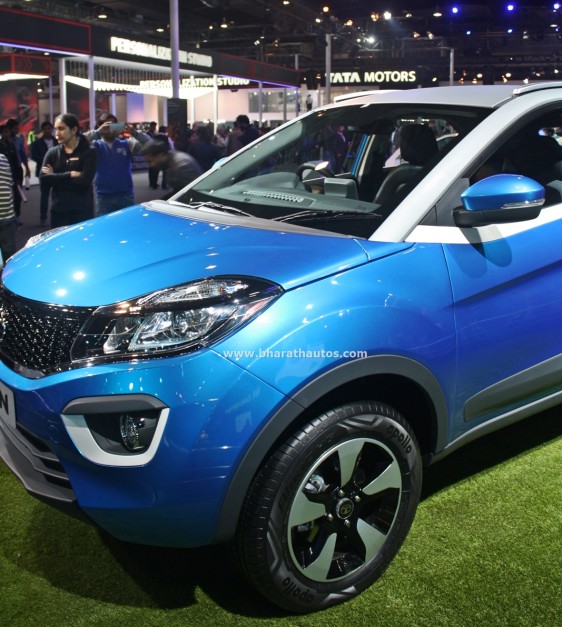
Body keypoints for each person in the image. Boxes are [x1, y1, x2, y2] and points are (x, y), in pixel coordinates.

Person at [85, 112, 150, 215]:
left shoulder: (127, 143)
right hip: (103, 196)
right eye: (108, 125)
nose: (111, 129)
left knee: (127, 223)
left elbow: (149, 143)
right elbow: (77, 141)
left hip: (125, 195)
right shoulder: (95, 146)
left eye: (114, 125)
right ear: (100, 126)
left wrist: (134, 132)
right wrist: (98, 132)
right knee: (105, 224)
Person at [40, 113, 97, 227]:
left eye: (61, 129)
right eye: (56, 129)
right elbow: (44, 179)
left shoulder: (89, 152)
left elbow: (85, 181)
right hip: (59, 211)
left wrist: (55, 176)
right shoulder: (52, 153)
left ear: (74, 130)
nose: (57, 133)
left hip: (82, 210)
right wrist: (70, 174)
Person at [30, 121, 57, 226]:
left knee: (57, 195)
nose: (47, 131)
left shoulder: (57, 141)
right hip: (43, 172)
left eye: (49, 129)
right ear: (42, 130)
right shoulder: (36, 143)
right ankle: (43, 217)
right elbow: (34, 156)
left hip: (57, 172)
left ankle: (56, 215)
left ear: (52, 129)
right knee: (44, 196)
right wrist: (46, 160)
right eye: (45, 129)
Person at [0, 153, 16, 264]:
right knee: (9, 255)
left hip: (6, 215)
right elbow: (9, 183)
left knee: (9, 255)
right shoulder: (2, 158)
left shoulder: (2, 158)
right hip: (7, 214)